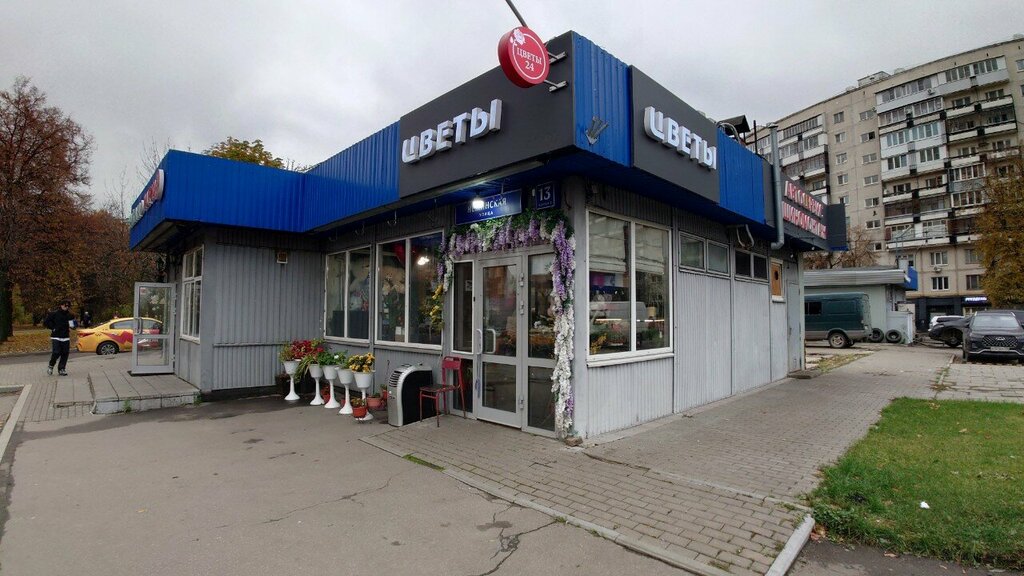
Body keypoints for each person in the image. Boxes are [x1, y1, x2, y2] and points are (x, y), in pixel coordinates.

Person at [43, 299, 76, 376]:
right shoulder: (54, 314)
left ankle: (61, 369)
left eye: (68, 306)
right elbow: (46, 322)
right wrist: (53, 328)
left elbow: (73, 326)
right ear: (61, 305)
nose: (66, 307)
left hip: (65, 336)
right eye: (65, 305)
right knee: (56, 352)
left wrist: (73, 326)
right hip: (56, 336)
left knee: (65, 353)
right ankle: (51, 365)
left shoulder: (70, 315)